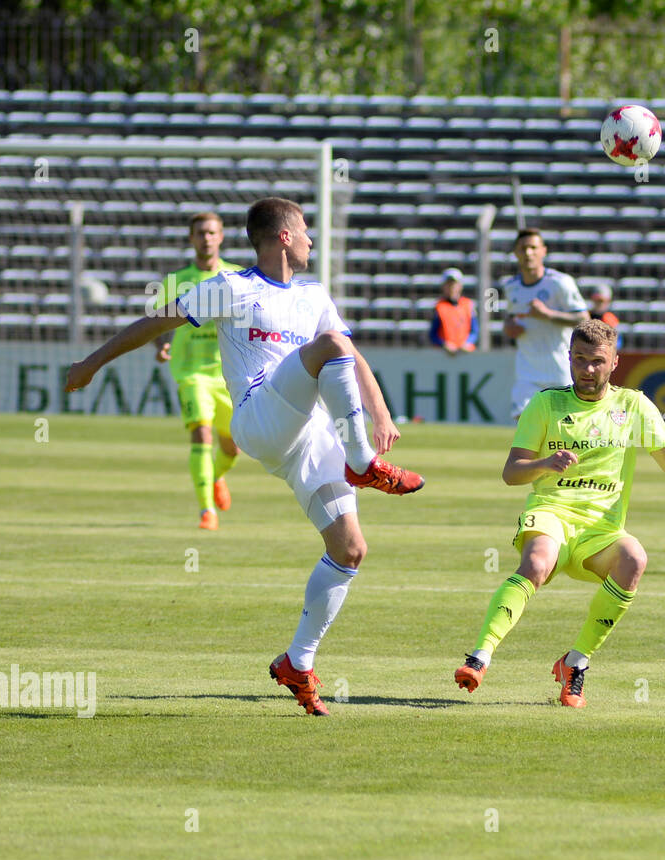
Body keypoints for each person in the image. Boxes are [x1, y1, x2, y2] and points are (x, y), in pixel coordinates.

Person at [65, 197, 424, 717]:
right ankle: (363, 463)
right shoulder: (232, 287)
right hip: (259, 415)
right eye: (303, 231)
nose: (309, 240)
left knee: (350, 550)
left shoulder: (313, 294)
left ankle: (297, 663)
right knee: (326, 347)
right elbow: (157, 321)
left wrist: (381, 410)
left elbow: (350, 352)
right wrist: (92, 362)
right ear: (282, 236)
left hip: (310, 436)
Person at [453, 319, 665, 707]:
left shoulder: (633, 405)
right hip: (551, 513)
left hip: (601, 530)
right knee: (538, 563)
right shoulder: (546, 403)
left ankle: (575, 664)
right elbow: (511, 474)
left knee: (634, 560)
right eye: (579, 359)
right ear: (569, 358)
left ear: (614, 363)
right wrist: (546, 463)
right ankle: (480, 656)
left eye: (596, 361)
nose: (587, 370)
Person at [150, 212, 245, 531]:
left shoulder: (237, 277)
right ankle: (207, 510)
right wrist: (160, 345)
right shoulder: (175, 281)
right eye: (200, 233)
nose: (206, 238)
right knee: (201, 433)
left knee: (233, 446)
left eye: (212, 232)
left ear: (221, 237)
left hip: (229, 375)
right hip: (191, 372)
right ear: (191, 239)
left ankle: (215, 476)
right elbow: (157, 322)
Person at [502, 228, 590, 421]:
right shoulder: (510, 286)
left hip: (558, 366)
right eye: (523, 248)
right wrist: (509, 327)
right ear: (516, 253)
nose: (528, 253)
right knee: (525, 422)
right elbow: (509, 318)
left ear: (544, 251)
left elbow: (584, 318)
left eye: (533, 247)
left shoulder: (560, 283)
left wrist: (548, 314)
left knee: (565, 426)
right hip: (527, 369)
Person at [429, 267, 478, 354]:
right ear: (443, 286)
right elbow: (433, 334)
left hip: (465, 353)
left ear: (460, 286)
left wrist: (467, 343)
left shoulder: (468, 305)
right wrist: (444, 344)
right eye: (448, 284)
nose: (451, 287)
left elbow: (474, 331)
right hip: (445, 355)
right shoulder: (439, 307)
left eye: (454, 284)